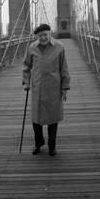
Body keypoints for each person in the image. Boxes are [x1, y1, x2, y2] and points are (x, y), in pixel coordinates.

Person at [22, 24, 70, 156]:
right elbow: (26, 66)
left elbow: (64, 68)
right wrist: (26, 82)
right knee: (36, 118)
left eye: (45, 35)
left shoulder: (59, 47)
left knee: (53, 118)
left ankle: (52, 145)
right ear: (36, 37)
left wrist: (65, 87)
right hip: (37, 88)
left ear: (50, 34)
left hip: (54, 88)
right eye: (40, 36)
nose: (43, 38)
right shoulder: (32, 47)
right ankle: (39, 143)